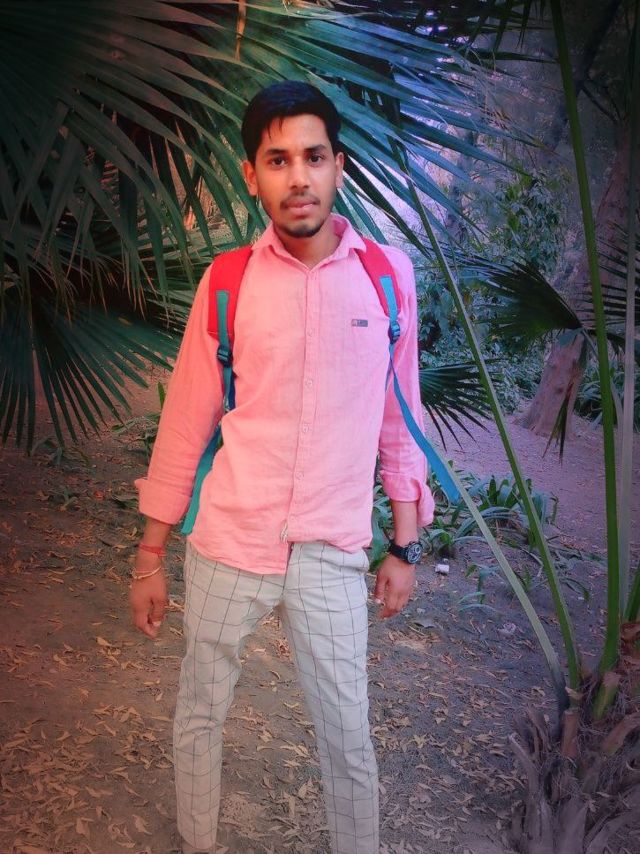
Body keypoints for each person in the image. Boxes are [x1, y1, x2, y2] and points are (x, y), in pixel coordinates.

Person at [130, 80, 434, 854]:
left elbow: (400, 417)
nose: (298, 177)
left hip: (332, 548)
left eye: (314, 156)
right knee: (201, 709)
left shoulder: (388, 277)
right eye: (278, 160)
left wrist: (404, 545)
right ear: (251, 175)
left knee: (347, 736)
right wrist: (150, 554)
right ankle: (197, 842)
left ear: (338, 165)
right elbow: (187, 419)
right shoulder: (228, 281)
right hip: (231, 540)